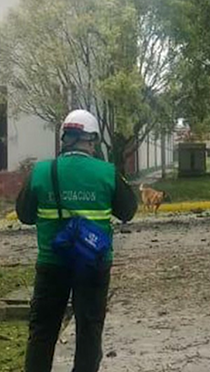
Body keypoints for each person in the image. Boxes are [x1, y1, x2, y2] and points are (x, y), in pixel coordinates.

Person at [15, 109, 138, 372]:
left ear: (64, 139)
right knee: (89, 330)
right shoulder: (107, 172)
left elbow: (25, 215)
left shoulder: (41, 171)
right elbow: (128, 211)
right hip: (93, 264)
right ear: (91, 140)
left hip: (51, 264)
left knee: (42, 331)